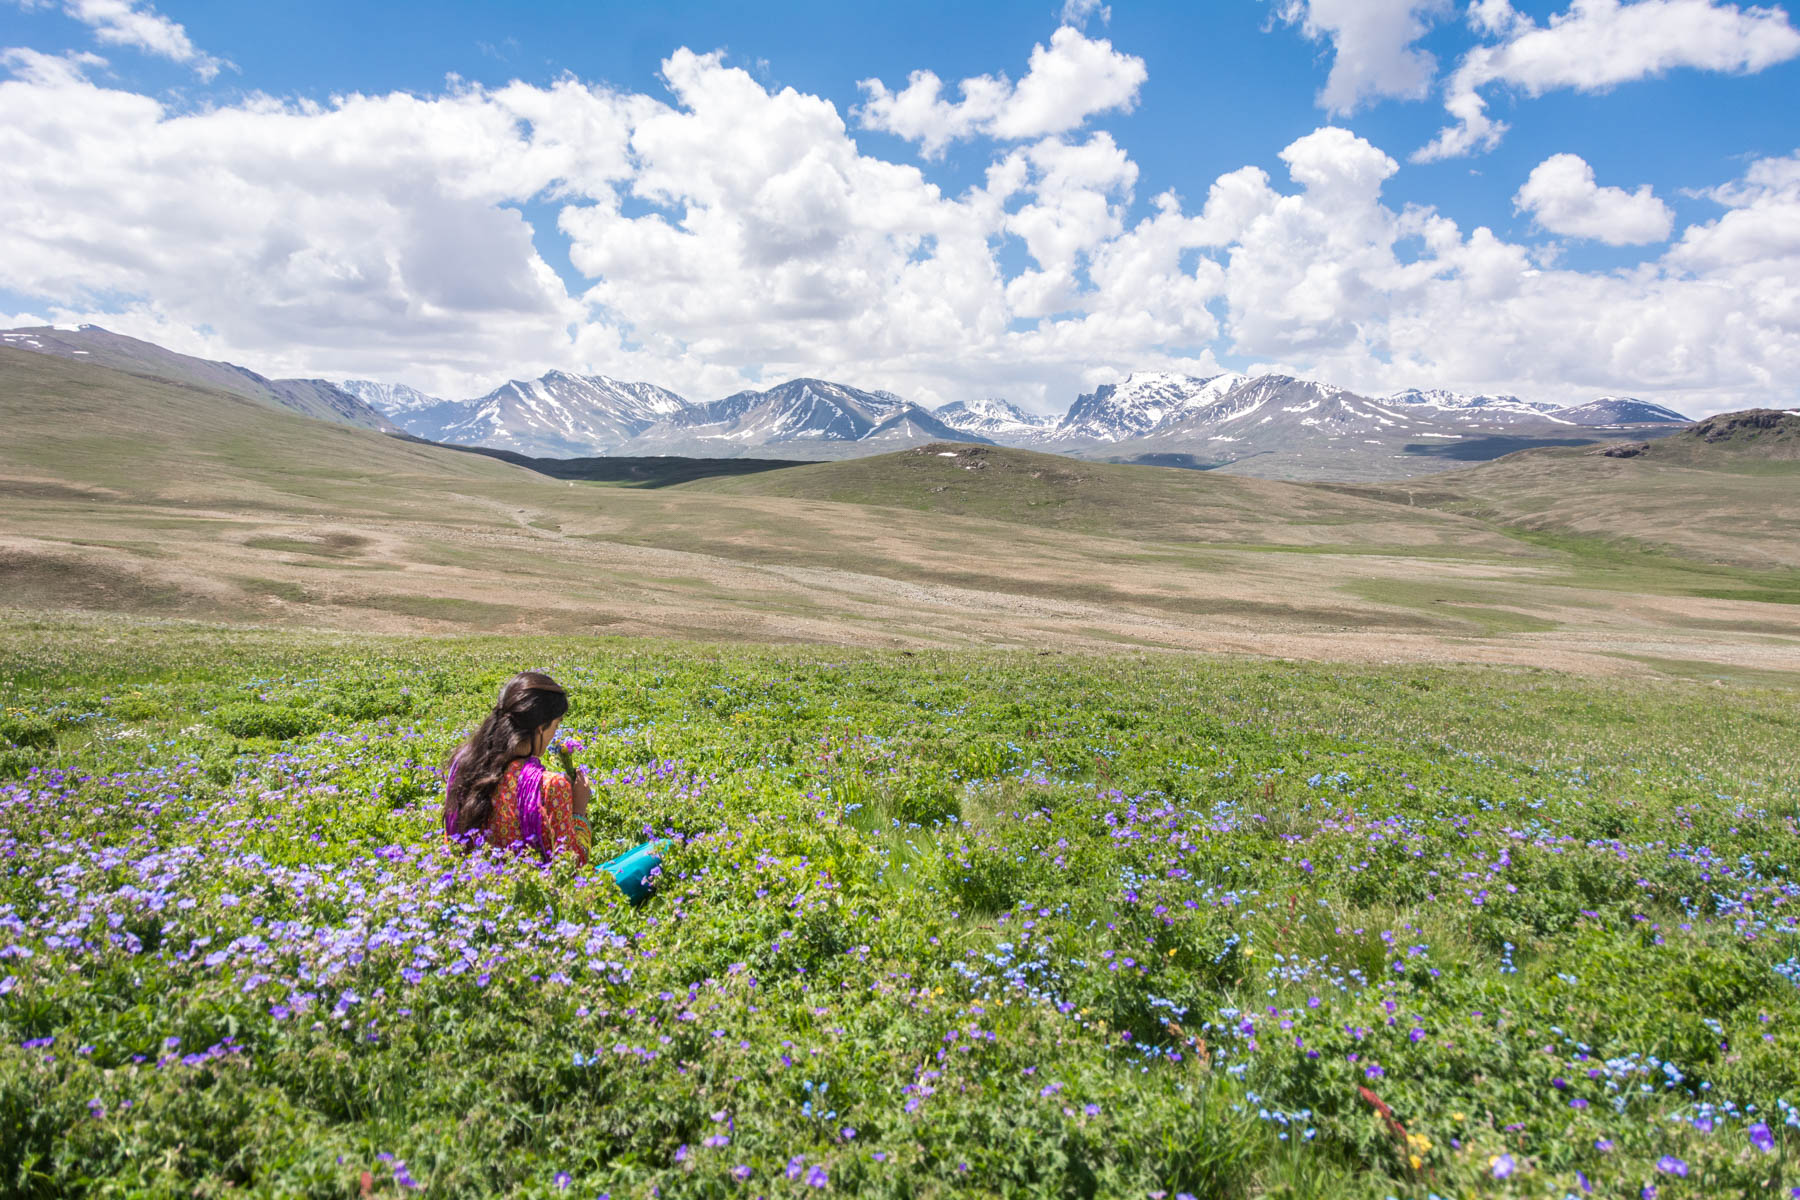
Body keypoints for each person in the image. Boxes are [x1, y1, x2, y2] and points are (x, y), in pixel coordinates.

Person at [443, 671, 593, 865]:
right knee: (645, 856)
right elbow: (573, 864)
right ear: (540, 727)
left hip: (476, 884)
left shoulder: (465, 765)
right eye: (555, 726)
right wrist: (579, 811)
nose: (553, 735)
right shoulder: (550, 785)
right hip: (535, 890)